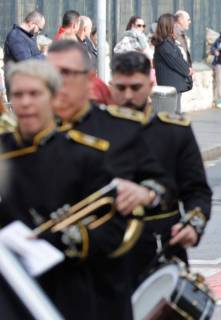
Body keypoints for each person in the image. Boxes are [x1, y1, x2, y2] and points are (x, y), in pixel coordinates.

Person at [46, 39, 167, 319]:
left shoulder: (122, 129)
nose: (57, 83)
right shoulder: (22, 135)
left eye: (67, 74)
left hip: (101, 278)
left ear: (89, 80)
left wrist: (146, 193)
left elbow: (161, 186)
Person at [0, 59, 128, 320]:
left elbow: (114, 229)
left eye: (34, 94)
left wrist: (66, 239)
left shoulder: (84, 155)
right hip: (10, 291)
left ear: (53, 97)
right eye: (18, 94)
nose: (25, 103)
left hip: (66, 287)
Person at [109, 52, 212, 283]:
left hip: (162, 251)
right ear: (110, 85)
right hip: (108, 257)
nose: (128, 96)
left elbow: (197, 192)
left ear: (150, 85)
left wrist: (194, 225)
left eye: (135, 87)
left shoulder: (174, 132)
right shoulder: (93, 132)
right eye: (121, 87)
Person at [154, 13, 193, 112]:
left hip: (174, 86)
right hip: (170, 86)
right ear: (169, 26)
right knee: (171, 116)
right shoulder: (164, 45)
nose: (176, 27)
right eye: (174, 25)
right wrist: (187, 70)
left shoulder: (170, 42)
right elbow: (175, 61)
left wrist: (188, 68)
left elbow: (180, 57)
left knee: (175, 114)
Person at [209, 31, 221, 108]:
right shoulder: (219, 40)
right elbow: (212, 49)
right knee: (220, 83)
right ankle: (220, 101)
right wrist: (214, 51)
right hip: (220, 65)